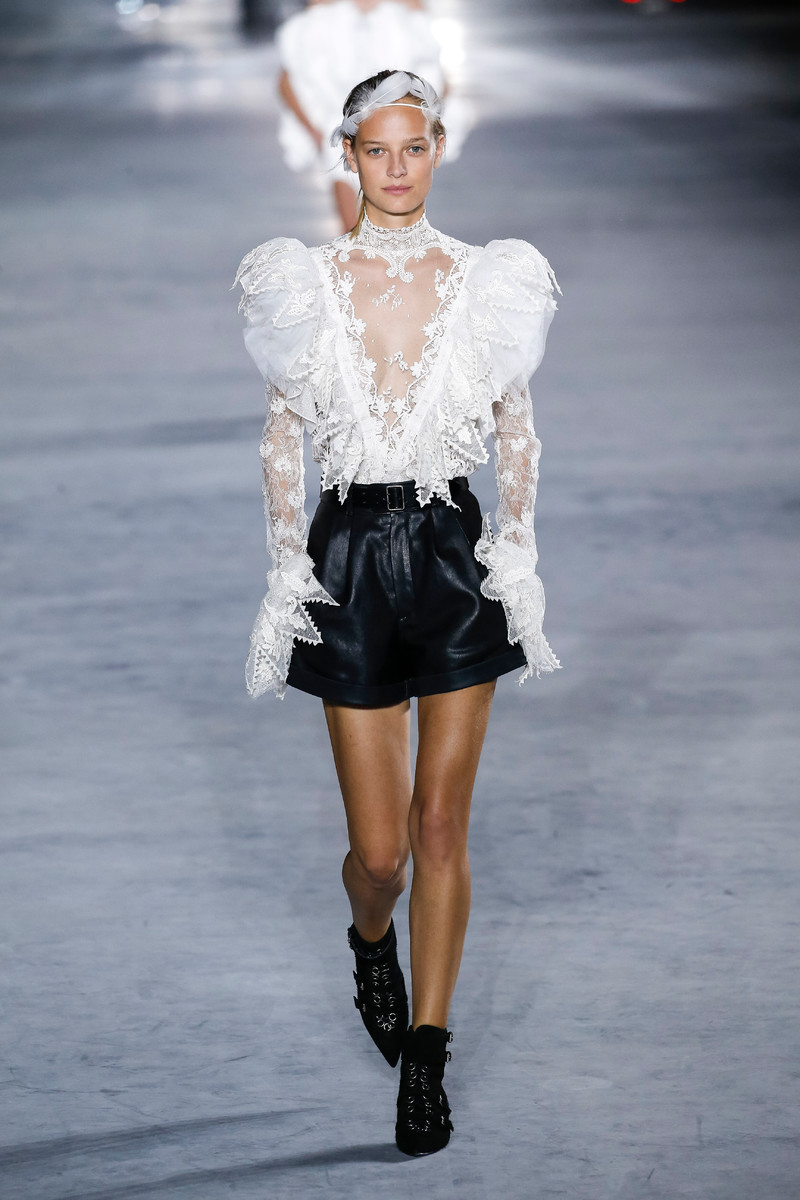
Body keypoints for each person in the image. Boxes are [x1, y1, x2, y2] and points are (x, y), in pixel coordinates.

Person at [235, 69, 560, 1157]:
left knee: (439, 829)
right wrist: (288, 569)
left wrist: (515, 553)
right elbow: (283, 435)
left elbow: (515, 426)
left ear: (437, 149)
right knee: (378, 854)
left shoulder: (485, 280)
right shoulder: (307, 282)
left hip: (453, 556)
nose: (398, 168)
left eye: (414, 147)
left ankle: (427, 1057)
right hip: (350, 559)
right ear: (348, 156)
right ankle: (370, 940)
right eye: (377, 150)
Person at [276, 0, 457, 233]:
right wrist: (314, 130)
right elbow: (288, 79)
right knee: (354, 227)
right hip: (341, 121)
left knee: (396, 219)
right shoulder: (323, 12)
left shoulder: (404, 12)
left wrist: (424, 121)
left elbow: (436, 72)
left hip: (396, 121)